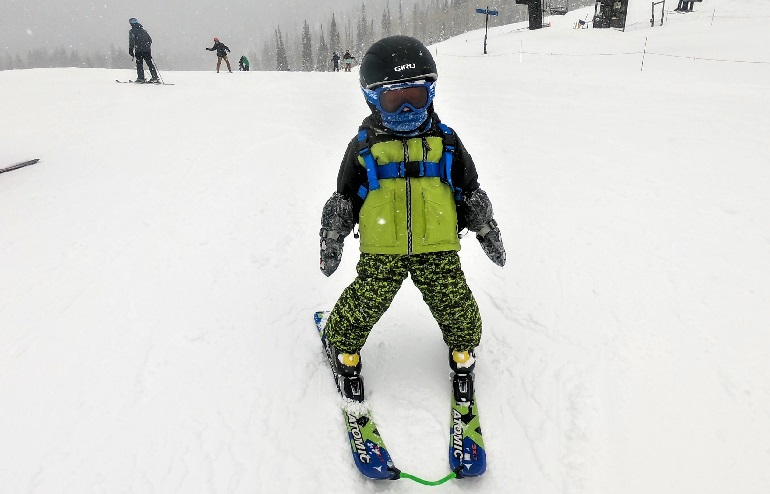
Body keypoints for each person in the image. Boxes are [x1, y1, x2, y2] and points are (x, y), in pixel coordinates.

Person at [318, 35, 505, 413]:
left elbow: (469, 190)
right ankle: (344, 348)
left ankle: (463, 349)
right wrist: (334, 233)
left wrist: (486, 227)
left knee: (458, 309)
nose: (406, 108)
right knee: (364, 303)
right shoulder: (364, 147)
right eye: (393, 99)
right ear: (372, 99)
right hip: (381, 250)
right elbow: (346, 196)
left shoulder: (446, 142)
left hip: (438, 249)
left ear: (430, 93)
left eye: (415, 97)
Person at [128, 18, 159, 83]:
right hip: (147, 50)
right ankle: (155, 77)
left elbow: (132, 42)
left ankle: (141, 78)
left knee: (139, 64)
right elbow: (150, 40)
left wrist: (131, 50)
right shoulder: (144, 31)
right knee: (150, 63)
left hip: (139, 50)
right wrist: (147, 47)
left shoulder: (132, 31)